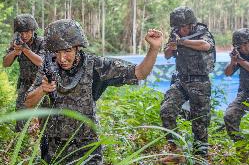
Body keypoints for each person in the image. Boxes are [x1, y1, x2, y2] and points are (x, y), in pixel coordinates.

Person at [24, 19, 163, 164]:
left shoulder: (96, 66)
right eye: (57, 52)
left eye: (67, 51)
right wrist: (42, 89)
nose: (62, 58)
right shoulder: (48, 68)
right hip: (54, 147)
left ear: (78, 47)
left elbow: (140, 73)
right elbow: (28, 103)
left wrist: (153, 49)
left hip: (86, 147)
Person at [160, 6, 215, 163]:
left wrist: (182, 42)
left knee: (200, 121)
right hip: (181, 81)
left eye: (183, 26)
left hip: (200, 82)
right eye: (178, 27)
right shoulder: (175, 34)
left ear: (191, 24)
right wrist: (172, 47)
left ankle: (201, 155)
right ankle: (176, 150)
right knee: (166, 110)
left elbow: (206, 45)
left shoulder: (202, 32)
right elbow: (167, 55)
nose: (181, 30)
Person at [2, 14, 44, 132]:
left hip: (42, 86)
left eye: (27, 32)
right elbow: (5, 63)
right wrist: (15, 52)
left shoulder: (41, 42)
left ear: (32, 30)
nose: (24, 35)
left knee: (44, 120)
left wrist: (25, 50)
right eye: (21, 32)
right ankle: (21, 147)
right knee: (21, 121)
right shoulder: (16, 43)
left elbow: (41, 62)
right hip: (25, 85)